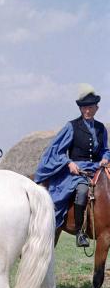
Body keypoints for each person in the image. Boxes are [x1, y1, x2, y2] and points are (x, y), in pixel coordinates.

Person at [35, 83, 110, 247]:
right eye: (84, 108)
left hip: (97, 170)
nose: (87, 111)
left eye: (90, 107)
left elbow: (105, 149)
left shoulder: (101, 128)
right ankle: (80, 232)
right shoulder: (71, 127)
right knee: (82, 190)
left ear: (96, 108)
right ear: (81, 109)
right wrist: (68, 163)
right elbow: (56, 151)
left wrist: (105, 158)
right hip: (77, 172)